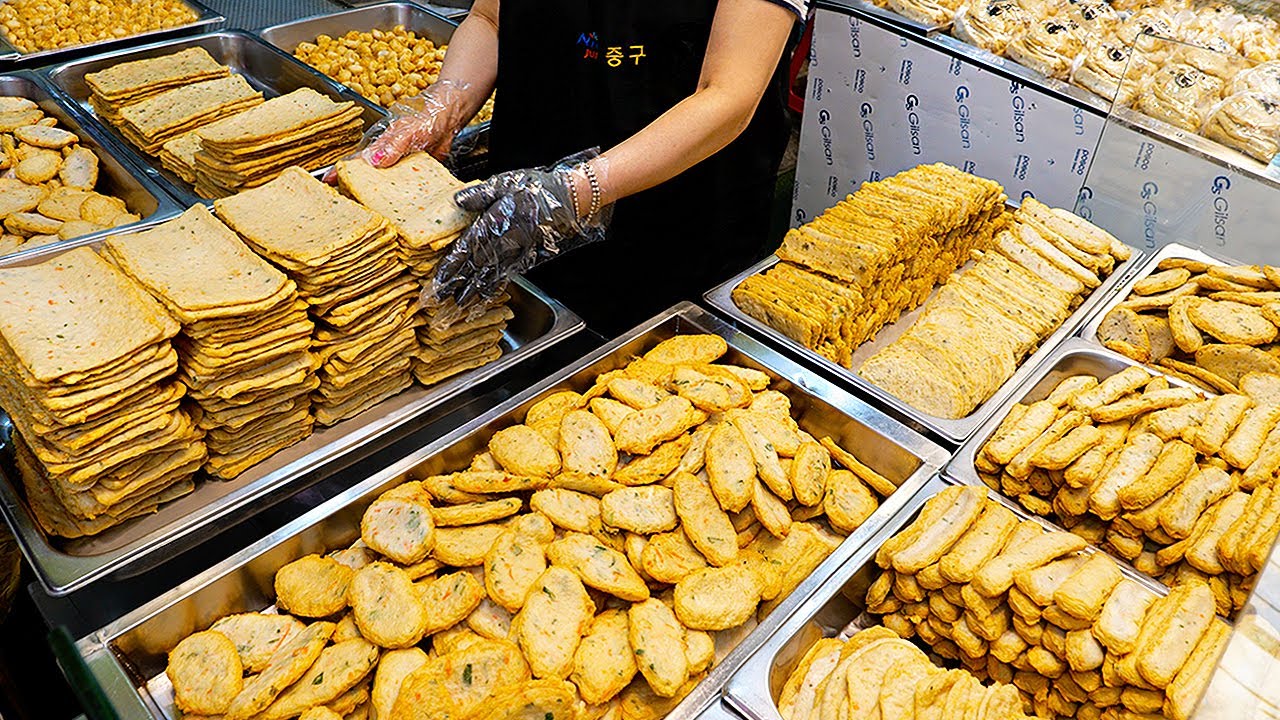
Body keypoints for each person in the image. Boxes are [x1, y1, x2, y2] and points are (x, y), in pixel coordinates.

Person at [361, 0, 806, 334]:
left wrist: (576, 190)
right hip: (519, 204)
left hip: (674, 229)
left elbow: (727, 95)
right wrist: (445, 105)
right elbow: (490, 19)